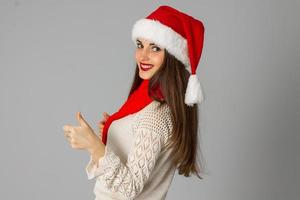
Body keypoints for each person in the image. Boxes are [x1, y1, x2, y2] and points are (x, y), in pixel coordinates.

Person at [63, 5, 205, 200]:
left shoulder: (155, 114)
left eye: (155, 48)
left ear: (173, 56)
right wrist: (115, 134)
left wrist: (94, 145)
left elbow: (129, 188)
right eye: (140, 45)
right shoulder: (150, 101)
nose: (142, 55)